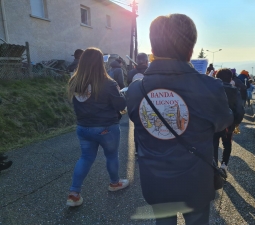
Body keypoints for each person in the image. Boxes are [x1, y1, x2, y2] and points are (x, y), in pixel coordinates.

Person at [126, 14, 233, 225]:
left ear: (153, 49)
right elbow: (223, 122)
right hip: (196, 180)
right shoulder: (210, 87)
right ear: (190, 49)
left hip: (155, 181)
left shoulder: (136, 90)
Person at [66, 48, 129, 207]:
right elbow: (120, 105)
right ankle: (114, 183)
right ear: (100, 63)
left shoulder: (74, 81)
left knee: (85, 158)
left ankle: (74, 193)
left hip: (83, 127)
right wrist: (122, 95)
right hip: (106, 127)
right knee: (111, 155)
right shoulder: (108, 83)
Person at [213, 69, 244, 174]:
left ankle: (213, 167)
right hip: (228, 124)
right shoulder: (235, 90)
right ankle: (224, 166)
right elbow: (240, 110)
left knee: (213, 145)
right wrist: (236, 122)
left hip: (213, 124)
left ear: (217, 77)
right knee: (227, 145)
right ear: (231, 78)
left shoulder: (212, 89)